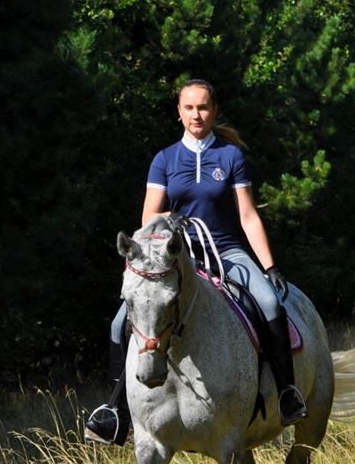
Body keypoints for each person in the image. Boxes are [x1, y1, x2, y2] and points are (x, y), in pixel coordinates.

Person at [84, 78, 307, 445]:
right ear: (179, 112)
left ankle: (287, 394)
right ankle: (116, 411)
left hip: (227, 252)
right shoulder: (165, 159)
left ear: (214, 110)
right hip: (177, 258)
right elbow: (149, 217)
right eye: (189, 107)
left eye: (203, 107)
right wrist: (174, 222)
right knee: (118, 323)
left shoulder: (231, 157)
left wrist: (269, 266)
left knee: (269, 303)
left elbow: (248, 216)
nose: (196, 114)